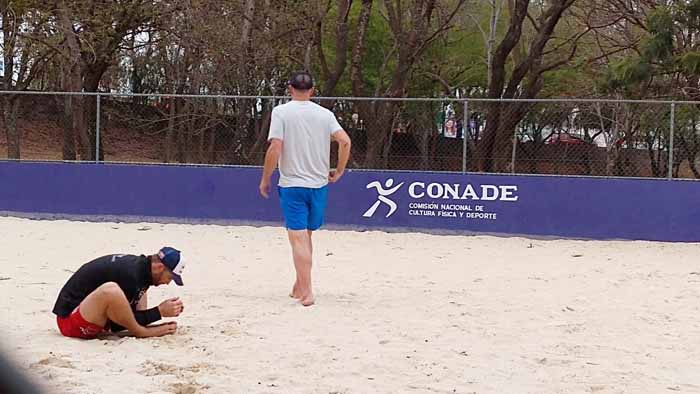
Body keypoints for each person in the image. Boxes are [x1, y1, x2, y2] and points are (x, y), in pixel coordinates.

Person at [259, 70, 352, 307]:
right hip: (318, 184)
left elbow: (275, 148)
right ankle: (300, 284)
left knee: (298, 238)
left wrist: (265, 177)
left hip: (292, 184)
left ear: (290, 88)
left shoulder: (281, 113)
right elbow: (345, 141)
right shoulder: (325, 114)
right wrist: (339, 170)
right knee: (306, 236)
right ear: (312, 89)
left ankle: (307, 290)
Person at [52, 247, 186, 339]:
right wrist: (159, 312)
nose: (168, 283)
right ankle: (141, 331)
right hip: (69, 322)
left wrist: (154, 315)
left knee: (140, 289)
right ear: (159, 267)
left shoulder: (141, 268)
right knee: (111, 290)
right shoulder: (130, 275)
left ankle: (141, 328)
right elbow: (117, 324)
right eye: (169, 277)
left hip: (88, 312)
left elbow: (124, 318)